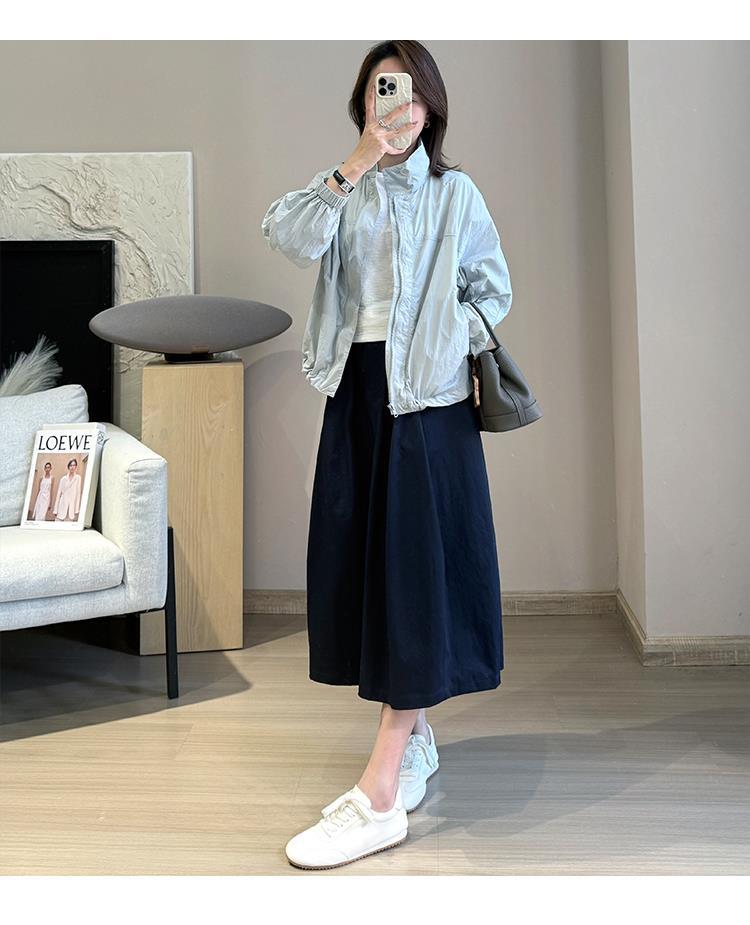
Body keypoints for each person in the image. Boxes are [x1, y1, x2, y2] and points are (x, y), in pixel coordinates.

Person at [261, 39, 512, 870]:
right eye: (380, 91)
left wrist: (445, 339)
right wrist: (355, 162)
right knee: (372, 571)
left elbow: (491, 290)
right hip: (357, 394)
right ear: (365, 104)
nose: (395, 105)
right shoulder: (347, 189)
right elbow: (286, 235)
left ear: (429, 104)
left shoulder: (455, 193)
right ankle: (417, 740)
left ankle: (378, 793)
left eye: (405, 92)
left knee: (412, 578)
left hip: (427, 404)